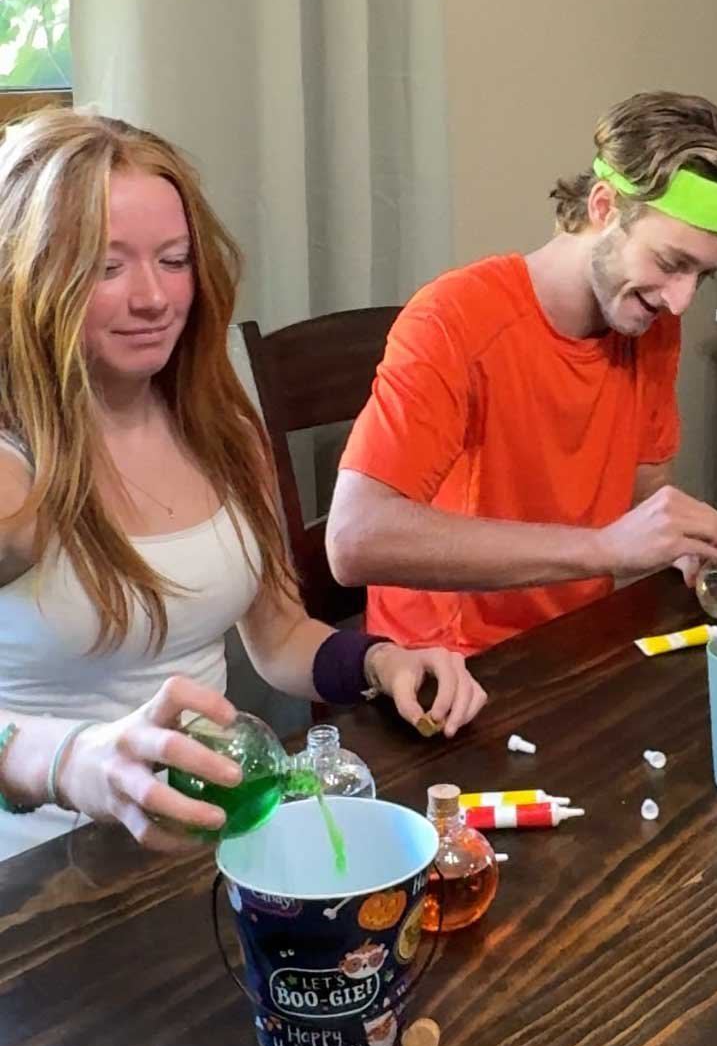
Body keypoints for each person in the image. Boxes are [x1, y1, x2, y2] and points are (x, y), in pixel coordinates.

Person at [0, 111, 486, 862]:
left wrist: (379, 661)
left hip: (204, 845)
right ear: (28, 274)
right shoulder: (13, 469)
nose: (155, 298)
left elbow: (281, 637)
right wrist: (72, 761)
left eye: (174, 260)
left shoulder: (217, 427)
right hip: (39, 876)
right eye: (106, 266)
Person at [327, 90, 717, 655]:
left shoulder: (649, 319)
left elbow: (641, 482)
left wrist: (685, 537)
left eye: (704, 275)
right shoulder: (454, 319)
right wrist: (606, 550)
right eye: (670, 263)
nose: (681, 300)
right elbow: (354, 540)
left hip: (578, 643)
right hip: (450, 670)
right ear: (602, 206)